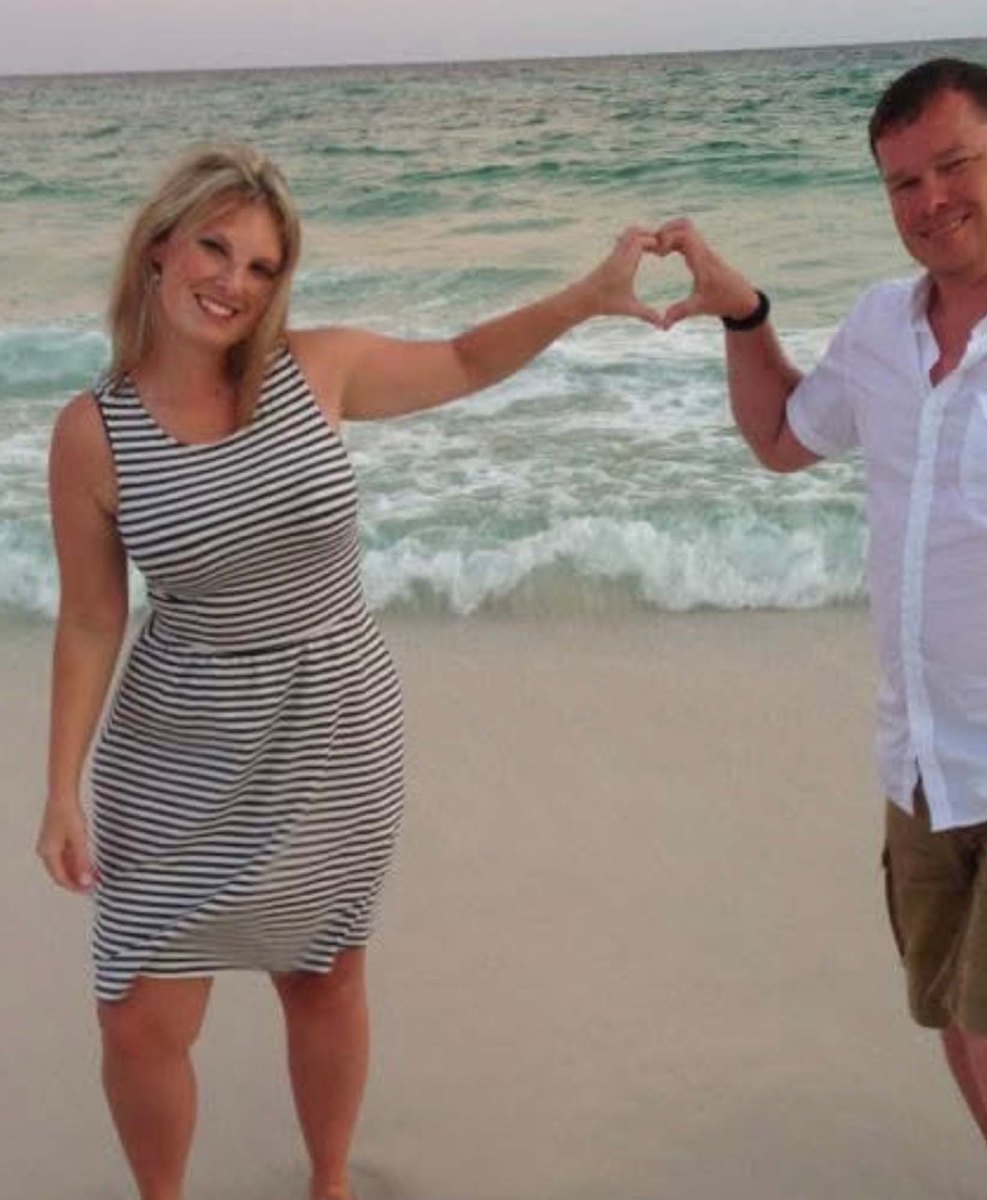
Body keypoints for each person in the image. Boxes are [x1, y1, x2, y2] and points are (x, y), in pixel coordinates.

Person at [34, 143, 662, 1200]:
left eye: (262, 266)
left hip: (332, 730)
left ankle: (330, 1183)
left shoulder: (316, 369)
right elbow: (93, 620)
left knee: (324, 973)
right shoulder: (93, 434)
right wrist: (61, 788)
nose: (233, 283)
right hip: (180, 750)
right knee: (140, 1014)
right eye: (215, 249)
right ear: (159, 249)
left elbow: (463, 359)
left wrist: (587, 298)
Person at [656, 58, 987, 1200]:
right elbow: (782, 439)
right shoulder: (881, 327)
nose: (931, 200)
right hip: (922, 769)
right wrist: (745, 314)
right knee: (962, 1032)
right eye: (903, 182)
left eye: (955, 165)